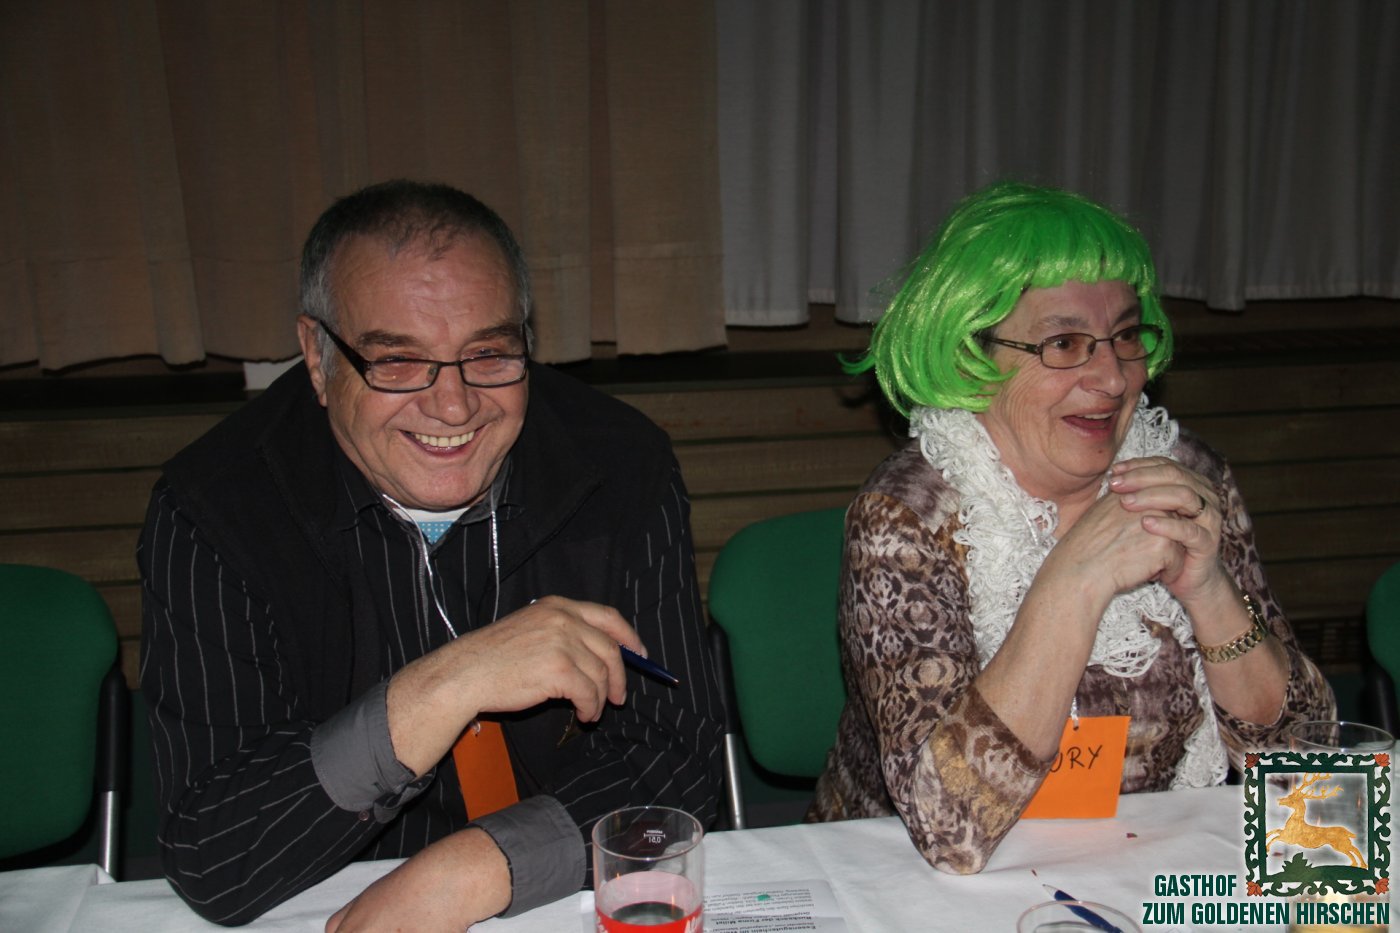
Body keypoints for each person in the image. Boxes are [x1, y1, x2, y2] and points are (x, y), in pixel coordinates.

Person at [138, 180, 723, 928]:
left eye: (488, 352)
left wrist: (469, 872)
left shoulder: (622, 466)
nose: (453, 405)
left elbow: (678, 758)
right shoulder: (216, 511)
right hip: (323, 897)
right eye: (397, 361)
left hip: (561, 895)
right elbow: (218, 851)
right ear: (317, 355)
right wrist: (451, 682)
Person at [807, 181, 1335, 874]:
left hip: (1145, 864)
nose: (1112, 378)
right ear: (971, 356)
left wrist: (1209, 591)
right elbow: (948, 826)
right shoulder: (908, 515)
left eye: (1126, 336)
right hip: (923, 886)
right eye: (1064, 343)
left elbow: (1310, 765)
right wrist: (1073, 581)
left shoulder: (1187, 477)